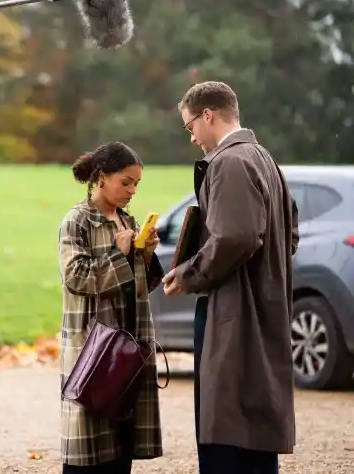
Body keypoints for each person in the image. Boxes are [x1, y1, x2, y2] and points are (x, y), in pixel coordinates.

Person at [162, 81, 299, 474]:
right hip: (264, 309)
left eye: (190, 127)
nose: (191, 137)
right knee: (253, 430)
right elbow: (288, 233)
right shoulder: (265, 160)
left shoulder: (229, 162)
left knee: (227, 431)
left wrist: (189, 274)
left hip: (234, 315)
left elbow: (236, 237)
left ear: (208, 115)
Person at [58, 141, 165, 474]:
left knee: (121, 449)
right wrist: (119, 255)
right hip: (95, 350)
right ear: (101, 177)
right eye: (126, 182)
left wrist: (143, 256)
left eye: (137, 184)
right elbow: (76, 278)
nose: (132, 190)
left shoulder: (126, 219)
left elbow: (137, 288)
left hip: (128, 350)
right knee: (89, 449)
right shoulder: (77, 221)